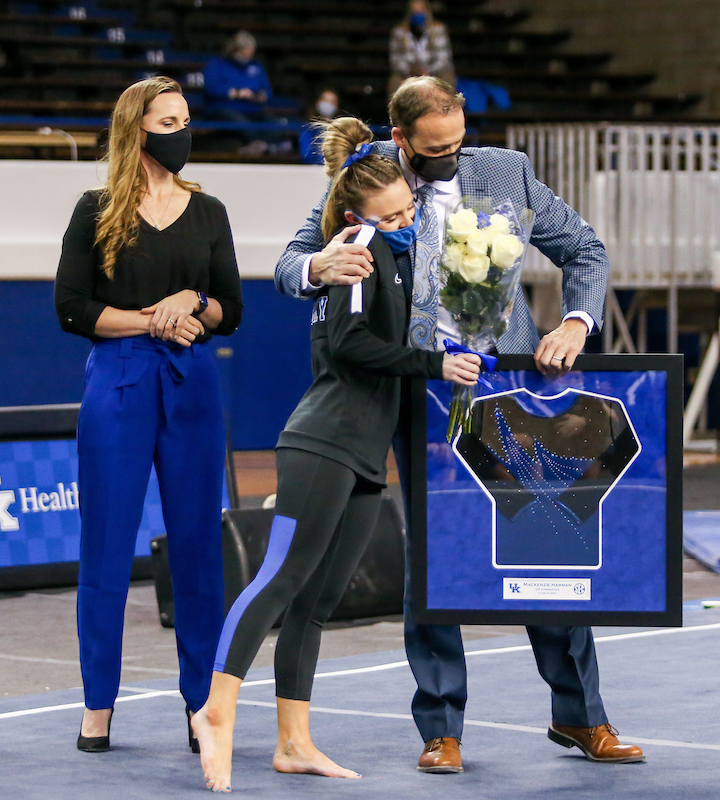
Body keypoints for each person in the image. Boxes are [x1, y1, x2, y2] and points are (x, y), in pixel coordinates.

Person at [274, 76, 645, 774]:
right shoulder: (371, 175)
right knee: (436, 558)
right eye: (435, 147)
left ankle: (580, 716)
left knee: (546, 543)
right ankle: (441, 728)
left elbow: (585, 249)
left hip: (507, 382)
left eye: (458, 140)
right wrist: (320, 266)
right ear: (401, 136)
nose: (450, 155)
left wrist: (574, 319)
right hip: (417, 391)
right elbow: (288, 265)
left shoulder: (507, 171)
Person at [193, 116, 484, 793]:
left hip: (360, 453)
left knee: (318, 601)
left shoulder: (391, 249)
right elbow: (353, 344)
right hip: (322, 442)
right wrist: (437, 364)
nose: (407, 216)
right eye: (394, 213)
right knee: (279, 580)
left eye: (409, 207)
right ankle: (216, 709)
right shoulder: (357, 246)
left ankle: (293, 743)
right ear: (359, 214)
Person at [55, 76, 244, 754]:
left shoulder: (209, 209)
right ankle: (97, 704)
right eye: (169, 119)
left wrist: (192, 302)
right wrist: (152, 318)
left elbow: (231, 308)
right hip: (120, 380)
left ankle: (201, 703)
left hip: (192, 381)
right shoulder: (95, 208)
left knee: (198, 550)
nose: (182, 130)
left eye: (186, 118)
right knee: (105, 546)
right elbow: (72, 308)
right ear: (137, 128)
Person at [202, 30, 286, 156]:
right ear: (234, 50)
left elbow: (267, 90)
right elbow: (211, 88)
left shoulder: (256, 66)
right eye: (244, 53)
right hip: (224, 108)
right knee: (241, 122)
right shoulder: (217, 65)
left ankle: (262, 145)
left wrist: (261, 96)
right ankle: (260, 145)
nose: (247, 57)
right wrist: (236, 93)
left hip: (253, 108)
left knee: (275, 123)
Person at [388, 1, 456, 96]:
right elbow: (396, 61)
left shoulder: (438, 30)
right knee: (395, 79)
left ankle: (446, 109)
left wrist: (428, 70)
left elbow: (443, 59)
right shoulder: (399, 32)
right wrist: (411, 70)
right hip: (409, 73)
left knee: (447, 75)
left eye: (421, 10)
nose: (417, 14)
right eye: (414, 11)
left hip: (433, 72)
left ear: (427, 11)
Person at [299, 89, 340, 165]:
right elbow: (306, 154)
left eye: (332, 101)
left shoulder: (341, 130)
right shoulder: (308, 128)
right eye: (325, 100)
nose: (328, 104)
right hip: (312, 169)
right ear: (318, 102)